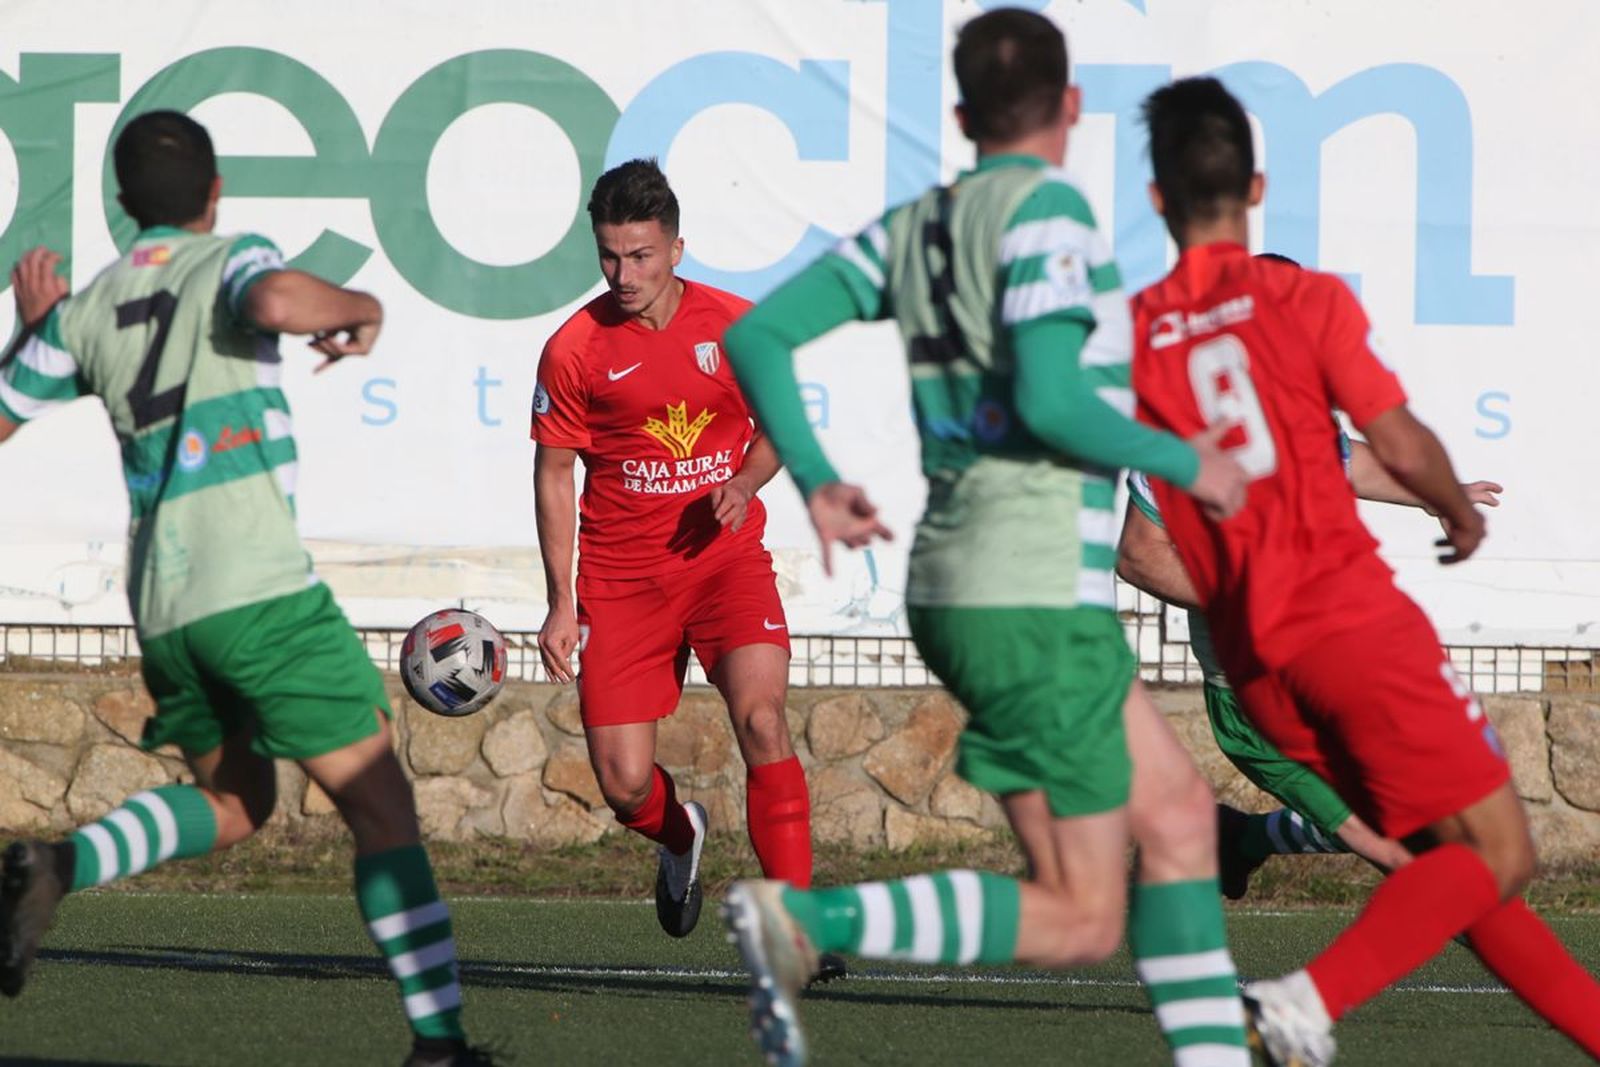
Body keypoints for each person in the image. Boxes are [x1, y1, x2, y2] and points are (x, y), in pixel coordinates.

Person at [720, 10, 1257, 1066]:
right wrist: (1191, 459)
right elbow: (1055, 400)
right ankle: (807, 922)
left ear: (962, 116)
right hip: (1033, 589)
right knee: (1084, 912)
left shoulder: (919, 221)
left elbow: (757, 332)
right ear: (1070, 107)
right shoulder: (1049, 213)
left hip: (957, 582)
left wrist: (821, 481)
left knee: (1184, 818)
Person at [0, 111, 489, 1067]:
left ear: (120, 203)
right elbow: (269, 300)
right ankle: (441, 1043)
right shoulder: (231, 257)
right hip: (259, 592)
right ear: (215, 193)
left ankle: (55, 866)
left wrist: (34, 331)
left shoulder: (88, 307)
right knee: (383, 811)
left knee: (234, 802)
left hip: (168, 610)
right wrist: (362, 306)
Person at [1130, 76, 1600, 1065]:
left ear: (1158, 198)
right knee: (1502, 851)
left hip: (1259, 669)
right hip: (1347, 625)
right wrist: (1457, 509)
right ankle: (1305, 996)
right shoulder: (1301, 298)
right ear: (1253, 186)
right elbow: (1396, 434)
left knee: (1451, 865)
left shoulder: (1130, 339)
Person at [1117, 261, 1504, 897]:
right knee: (1413, 857)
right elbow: (1138, 555)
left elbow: (1348, 461)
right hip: (1259, 692)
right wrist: (1249, 595)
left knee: (1428, 816)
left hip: (1328, 662)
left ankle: (1238, 840)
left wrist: (1434, 492)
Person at [531, 159, 823, 952]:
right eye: (609, 255)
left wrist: (746, 479)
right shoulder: (575, 350)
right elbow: (555, 474)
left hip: (725, 564)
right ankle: (678, 834)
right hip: (622, 584)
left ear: (678, 249)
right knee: (625, 785)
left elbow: (780, 428)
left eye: (642, 255)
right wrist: (561, 598)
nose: (624, 274)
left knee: (762, 719)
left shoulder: (735, 329)